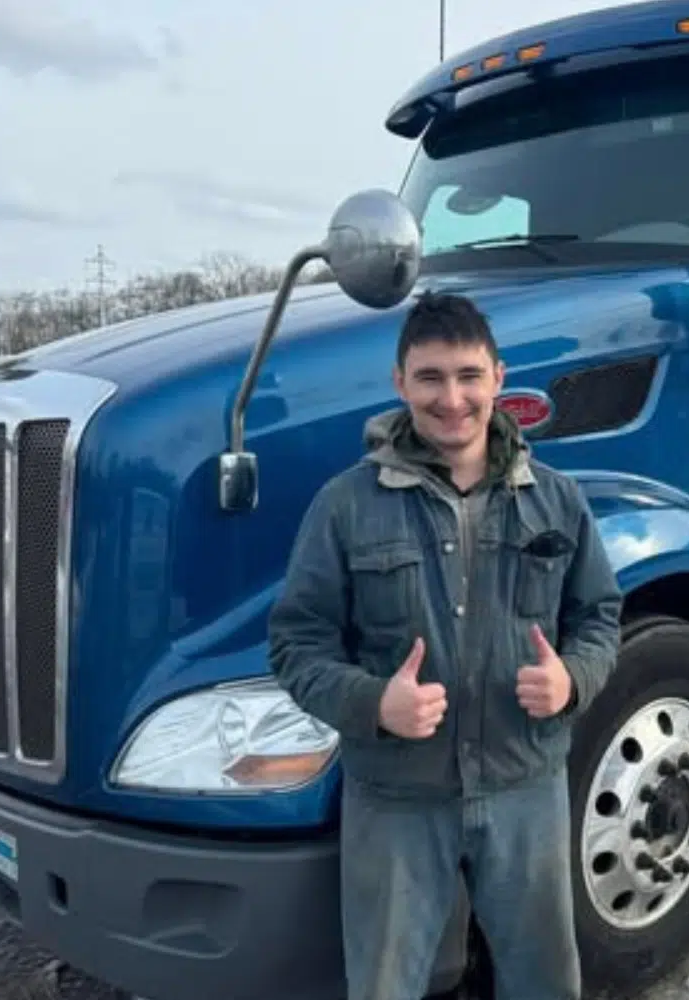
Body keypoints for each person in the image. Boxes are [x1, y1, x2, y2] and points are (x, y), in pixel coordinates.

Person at [266, 290, 623, 1000]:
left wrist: (574, 681)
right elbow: (294, 644)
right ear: (400, 383)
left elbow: (601, 618)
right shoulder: (344, 506)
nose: (451, 398)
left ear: (498, 376)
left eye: (467, 375)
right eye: (430, 377)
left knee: (545, 983)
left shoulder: (558, 501)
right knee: (383, 986)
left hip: (526, 790)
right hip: (397, 798)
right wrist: (373, 702)